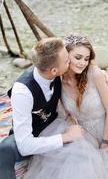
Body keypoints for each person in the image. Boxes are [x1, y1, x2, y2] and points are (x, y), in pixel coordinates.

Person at [23, 36, 108, 179]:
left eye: (86, 59)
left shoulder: (96, 74)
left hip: (107, 127)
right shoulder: (58, 79)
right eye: (78, 57)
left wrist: (105, 142)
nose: (82, 63)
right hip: (83, 131)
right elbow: (47, 55)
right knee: (74, 162)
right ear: (66, 56)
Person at [0, 37, 85, 179]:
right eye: (66, 61)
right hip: (31, 134)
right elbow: (25, 145)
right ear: (53, 70)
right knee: (5, 149)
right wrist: (65, 137)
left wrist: (100, 74)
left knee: (82, 154)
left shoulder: (57, 69)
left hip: (55, 125)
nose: (70, 61)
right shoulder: (23, 91)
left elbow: (84, 56)